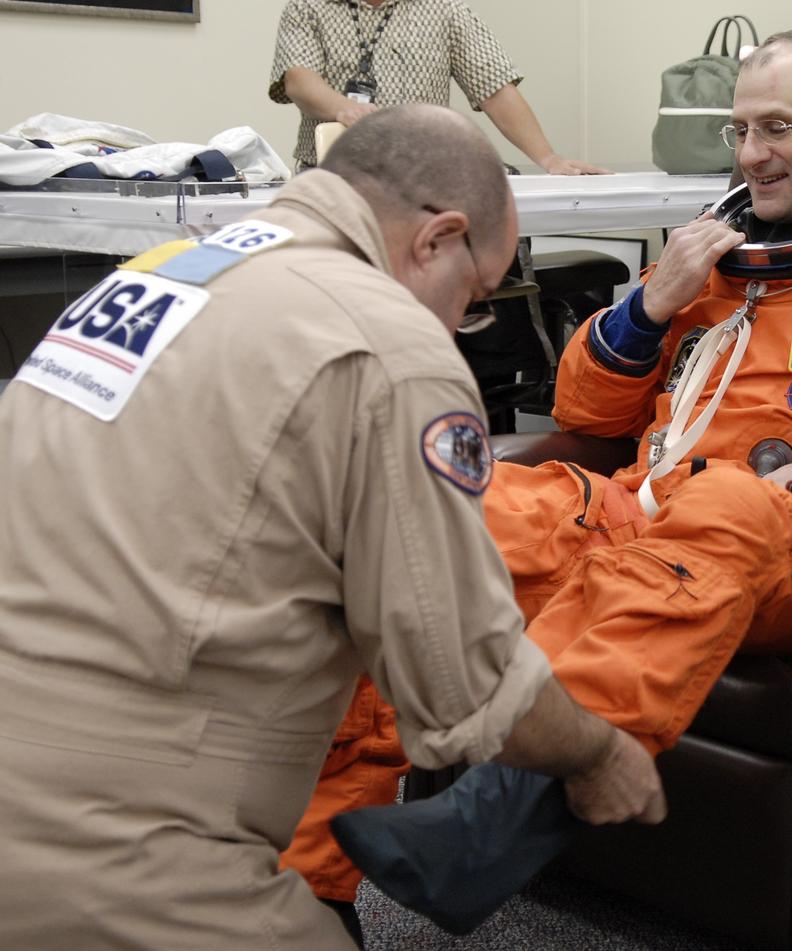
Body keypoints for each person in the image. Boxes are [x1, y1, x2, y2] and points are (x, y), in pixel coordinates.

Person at [296, 28, 792, 918]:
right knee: (435, 525)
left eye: (776, 128)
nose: (751, 154)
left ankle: (501, 810)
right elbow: (586, 413)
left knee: (730, 502)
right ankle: (314, 892)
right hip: (637, 509)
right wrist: (652, 301)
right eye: (740, 131)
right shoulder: (710, 259)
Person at [0, 103, 663, 951]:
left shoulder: (156, 275)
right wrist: (598, 755)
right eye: (475, 298)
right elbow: (465, 681)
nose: (462, 324)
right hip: (112, 838)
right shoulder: (387, 345)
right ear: (437, 239)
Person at [269, 0, 605, 174]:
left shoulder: (444, 8)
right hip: (333, 173)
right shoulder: (306, 7)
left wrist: (548, 158)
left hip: (425, 175)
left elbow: (495, 87)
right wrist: (345, 109)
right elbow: (298, 78)